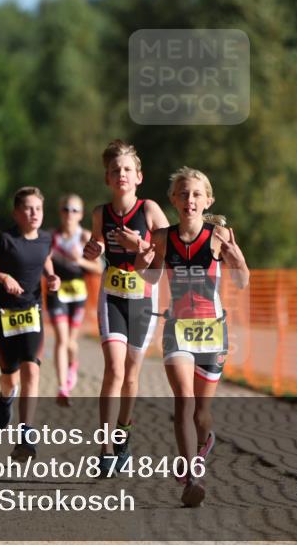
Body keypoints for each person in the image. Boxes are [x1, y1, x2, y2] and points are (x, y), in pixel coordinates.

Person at [133, 167, 249, 507]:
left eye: (197, 194)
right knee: (183, 399)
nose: (190, 199)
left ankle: (203, 441)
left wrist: (237, 260)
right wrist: (141, 263)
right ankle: (191, 479)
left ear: (208, 201)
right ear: (173, 199)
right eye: (183, 193)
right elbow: (151, 278)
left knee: (201, 413)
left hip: (213, 331)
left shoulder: (219, 236)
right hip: (178, 329)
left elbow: (242, 281)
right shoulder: (162, 237)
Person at [83, 140, 170, 474]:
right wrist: (93, 250)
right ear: (107, 178)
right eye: (115, 170)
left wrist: (142, 245)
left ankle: (123, 431)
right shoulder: (100, 214)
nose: (122, 174)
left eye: (127, 169)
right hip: (113, 297)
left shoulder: (149, 210)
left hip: (144, 299)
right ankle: (105, 448)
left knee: (131, 375)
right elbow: (96, 245)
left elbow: (171, 248)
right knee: (114, 370)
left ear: (138, 177)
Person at [0, 187, 61, 459]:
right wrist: (2, 277)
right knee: (10, 376)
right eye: (28, 208)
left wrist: (52, 277)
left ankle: (25, 437)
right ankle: (5, 396)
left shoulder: (46, 239)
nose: (34, 213)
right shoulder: (5, 239)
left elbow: (45, 259)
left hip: (32, 310)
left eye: (38, 208)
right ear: (16, 213)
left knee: (31, 369)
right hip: (4, 314)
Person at [47, 194, 102, 407]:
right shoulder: (52, 237)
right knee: (61, 339)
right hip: (57, 293)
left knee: (71, 342)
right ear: (60, 212)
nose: (69, 214)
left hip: (78, 293)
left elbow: (99, 268)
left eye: (74, 210)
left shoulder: (84, 237)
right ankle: (62, 387)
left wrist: (79, 260)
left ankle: (73, 364)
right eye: (66, 209)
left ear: (81, 215)